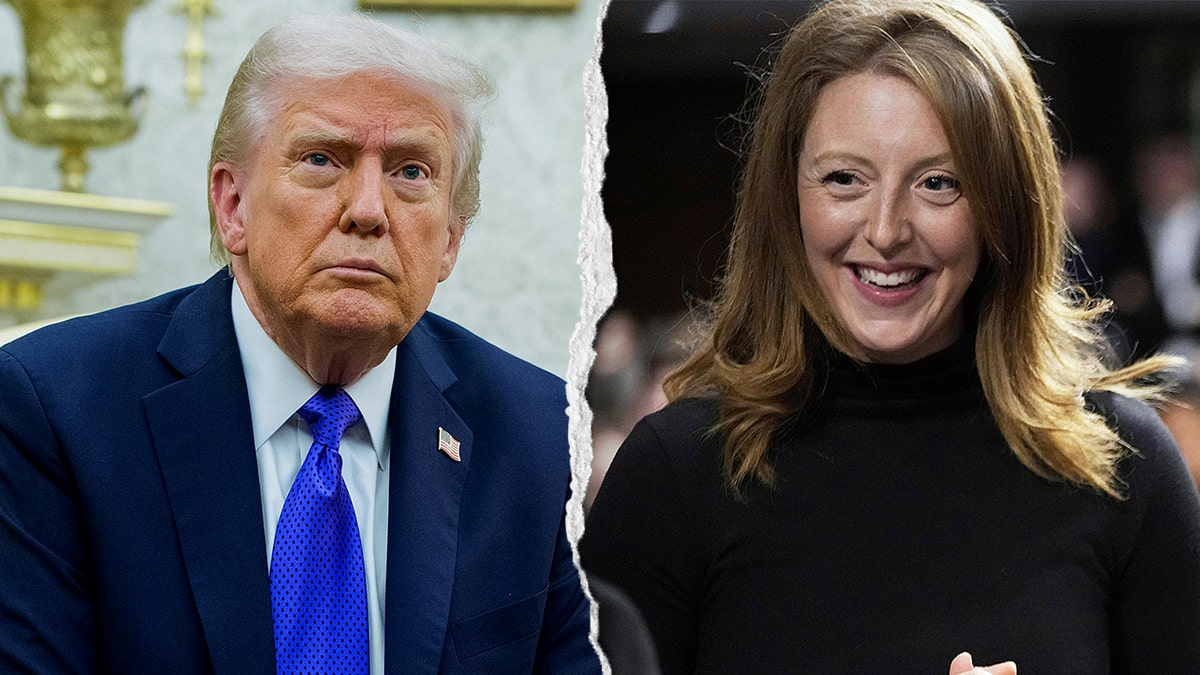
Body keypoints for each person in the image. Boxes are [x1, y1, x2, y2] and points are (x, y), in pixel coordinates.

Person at [580, 0, 1200, 672]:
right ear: (787, 198)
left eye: (938, 183)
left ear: (1004, 207)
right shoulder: (674, 477)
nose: (885, 230)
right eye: (844, 178)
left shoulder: (1126, 469)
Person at [0, 14, 599, 674]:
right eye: (322, 159)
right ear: (233, 207)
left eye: (410, 171)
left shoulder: (538, 436)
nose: (368, 209)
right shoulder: (59, 412)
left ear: (451, 238)